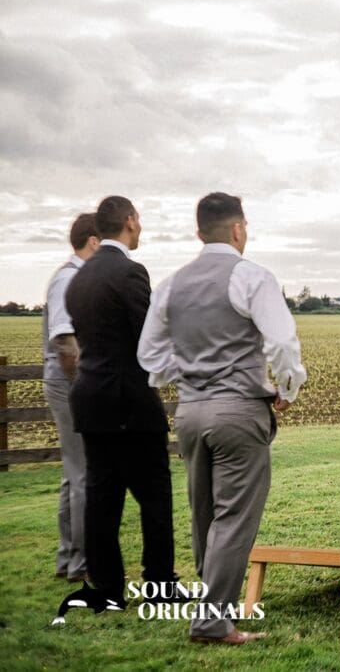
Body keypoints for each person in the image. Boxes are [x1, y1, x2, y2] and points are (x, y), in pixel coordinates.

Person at [138, 192, 307, 645]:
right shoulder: (252, 277)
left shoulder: (172, 284)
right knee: (234, 516)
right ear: (238, 229)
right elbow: (283, 345)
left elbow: (149, 357)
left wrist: (193, 373)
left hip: (190, 412)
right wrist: (287, 388)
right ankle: (213, 621)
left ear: (199, 232)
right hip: (238, 412)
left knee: (204, 513)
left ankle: (214, 605)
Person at [64, 196, 179, 610]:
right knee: (154, 495)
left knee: (102, 496)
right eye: (139, 219)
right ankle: (160, 582)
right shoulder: (130, 272)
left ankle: (107, 587)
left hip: (90, 397)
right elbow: (147, 337)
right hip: (128, 398)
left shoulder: (79, 278)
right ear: (130, 221)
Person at [43, 212, 100, 583]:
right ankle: (82, 563)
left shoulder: (68, 275)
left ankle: (68, 557)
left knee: (71, 473)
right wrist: (84, 387)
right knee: (83, 473)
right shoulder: (70, 277)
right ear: (93, 240)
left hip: (63, 382)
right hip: (69, 384)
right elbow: (65, 342)